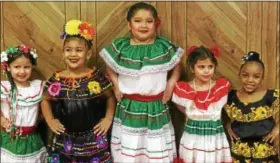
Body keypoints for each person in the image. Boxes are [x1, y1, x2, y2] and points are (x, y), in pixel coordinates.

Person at [99, 2, 184, 162]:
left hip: (156, 108)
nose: (143, 25)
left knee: (155, 149)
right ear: (129, 24)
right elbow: (109, 66)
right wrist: (116, 85)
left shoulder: (162, 47)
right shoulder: (121, 47)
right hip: (129, 108)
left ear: (156, 23)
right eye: (138, 21)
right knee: (130, 149)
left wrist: (171, 83)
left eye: (149, 21)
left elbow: (177, 64)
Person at [41, 19, 115, 162]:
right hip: (64, 138)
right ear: (63, 54)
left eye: (79, 50)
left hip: (93, 138)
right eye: (68, 50)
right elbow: (45, 99)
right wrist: (50, 120)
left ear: (88, 54)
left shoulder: (96, 78)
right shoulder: (57, 80)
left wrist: (108, 118)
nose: (73, 54)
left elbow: (110, 97)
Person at [172, 45, 232, 162]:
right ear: (192, 68)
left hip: (214, 136)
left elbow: (228, 108)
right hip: (192, 136)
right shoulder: (185, 89)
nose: (206, 70)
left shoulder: (219, 88)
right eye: (201, 67)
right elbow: (179, 105)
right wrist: (191, 114)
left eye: (210, 66)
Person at [223, 51, 279, 163]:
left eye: (256, 76)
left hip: (264, 153)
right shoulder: (231, 96)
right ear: (239, 75)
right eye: (245, 75)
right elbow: (218, 112)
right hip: (239, 152)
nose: (250, 80)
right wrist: (228, 125)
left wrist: (278, 128)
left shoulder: (271, 96)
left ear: (262, 78)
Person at [0, 45, 48, 162]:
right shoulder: (4, 89)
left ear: (32, 67)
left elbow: (46, 104)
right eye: (17, 67)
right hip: (9, 139)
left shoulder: (37, 88)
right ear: (8, 67)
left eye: (27, 67)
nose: (22, 71)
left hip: (31, 139)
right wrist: (1, 120)